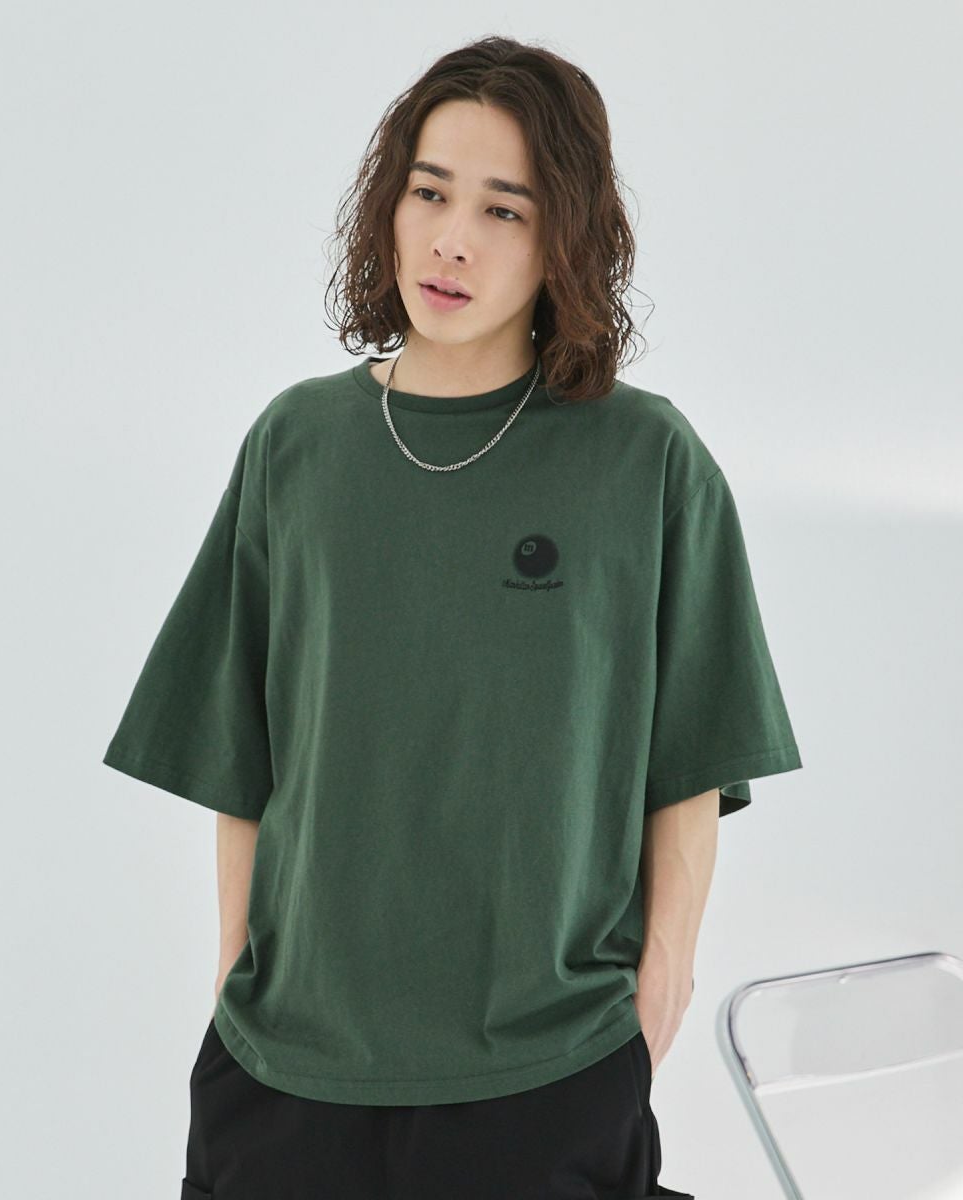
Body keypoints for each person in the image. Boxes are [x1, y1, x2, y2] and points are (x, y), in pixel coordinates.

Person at [103, 34, 802, 1200]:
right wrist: (236, 984)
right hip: (286, 1077)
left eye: (503, 210)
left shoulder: (645, 460)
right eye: (429, 192)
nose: (451, 239)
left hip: (545, 1071)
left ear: (564, 238)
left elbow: (690, 763)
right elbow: (239, 754)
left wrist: (655, 995)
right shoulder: (297, 445)